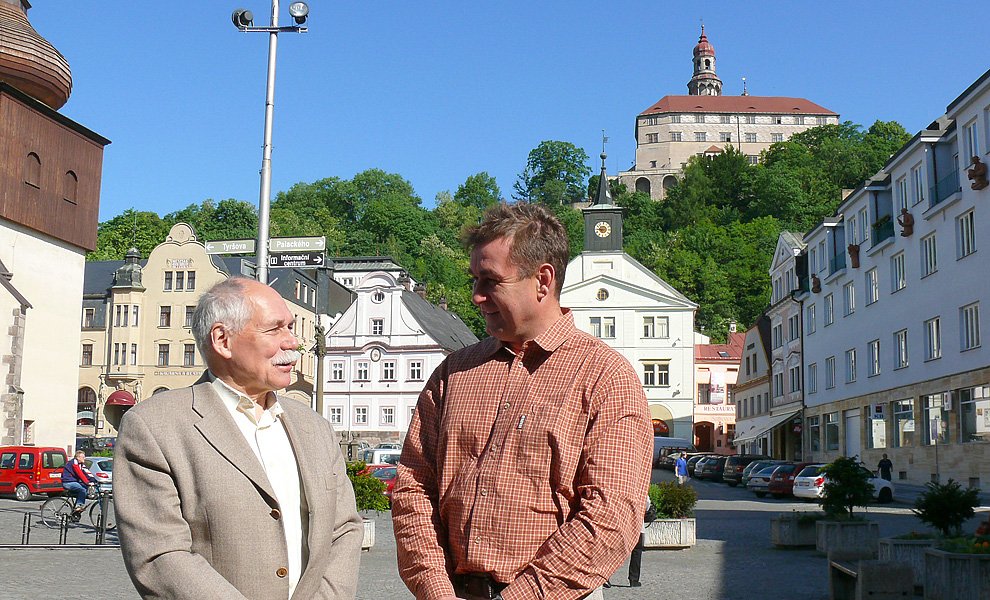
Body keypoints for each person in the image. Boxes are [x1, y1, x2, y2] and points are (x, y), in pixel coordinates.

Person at [392, 203, 653, 600]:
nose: (476, 296)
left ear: (543, 280)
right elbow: (413, 486)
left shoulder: (606, 377)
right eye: (474, 280)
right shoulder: (453, 372)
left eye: (490, 281)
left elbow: (612, 514)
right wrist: (436, 590)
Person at [114, 277, 363, 600]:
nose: (293, 342)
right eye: (275, 329)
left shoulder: (315, 428)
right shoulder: (154, 427)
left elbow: (344, 528)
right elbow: (161, 556)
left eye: (290, 327)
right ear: (222, 340)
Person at [61, 450, 97, 520]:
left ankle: (75, 512)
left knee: (84, 488)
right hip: (68, 482)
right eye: (83, 457)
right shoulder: (74, 463)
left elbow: (87, 473)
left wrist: (94, 480)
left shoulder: (81, 464)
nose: (84, 458)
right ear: (78, 457)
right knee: (82, 489)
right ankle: (78, 506)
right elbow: (80, 474)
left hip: (73, 481)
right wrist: (87, 483)